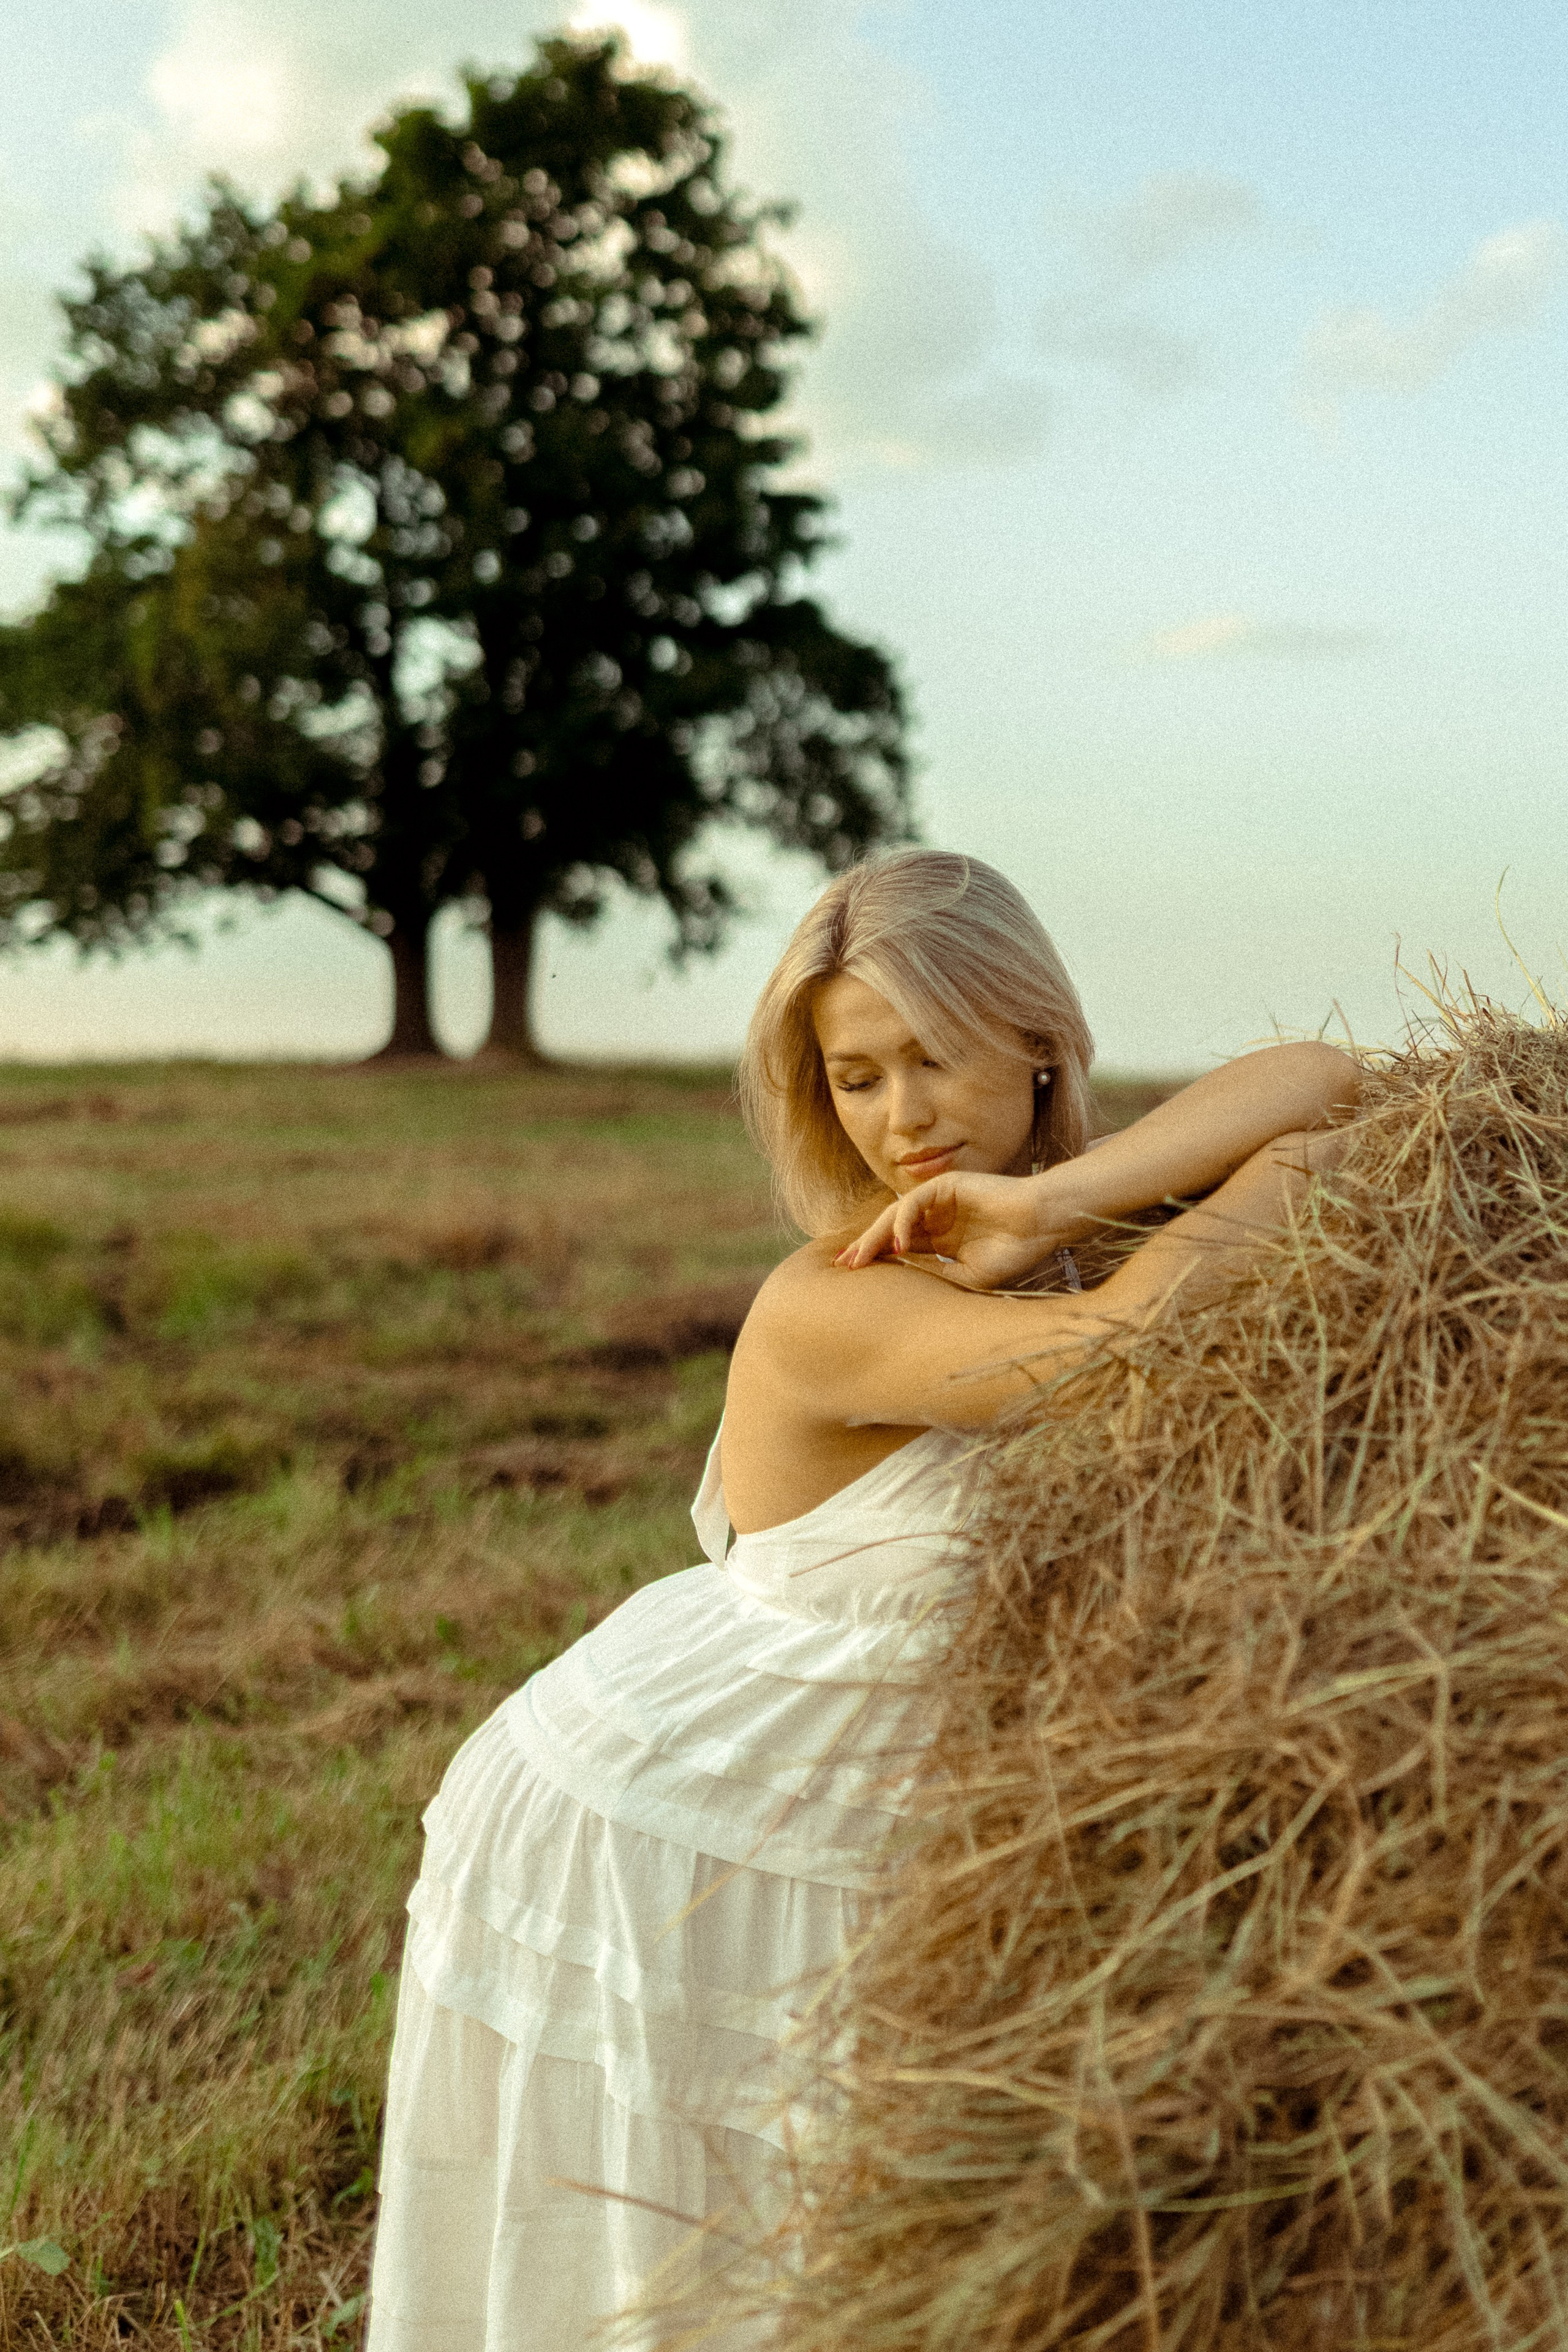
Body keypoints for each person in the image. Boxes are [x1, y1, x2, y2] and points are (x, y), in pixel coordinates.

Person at [365, 851, 1357, 2351]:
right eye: (853, 1079)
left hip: (857, 1821)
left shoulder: (1071, 1244)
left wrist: (1067, 1193)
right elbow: (1122, 1345)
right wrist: (1140, 1206)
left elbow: (1336, 1081)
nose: (901, 1120)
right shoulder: (829, 1301)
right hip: (663, 1833)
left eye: (935, 1059)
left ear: (1037, 1041)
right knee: (689, 2273)